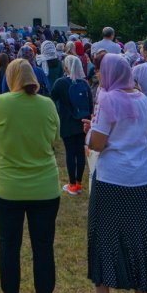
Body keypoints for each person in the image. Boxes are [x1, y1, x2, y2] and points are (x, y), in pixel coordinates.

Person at [78, 54, 147, 293]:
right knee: (142, 237)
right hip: (144, 175)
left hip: (115, 176)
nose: (99, 75)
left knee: (103, 233)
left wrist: (89, 133)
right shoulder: (143, 99)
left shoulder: (108, 99)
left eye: (101, 71)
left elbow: (99, 143)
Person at [0, 58, 61, 293]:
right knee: (43, 247)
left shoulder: (0, 103)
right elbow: (54, 138)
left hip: (8, 188)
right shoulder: (47, 104)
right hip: (45, 187)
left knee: (9, 245)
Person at [50, 53, 91, 195]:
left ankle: (72, 184)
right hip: (83, 121)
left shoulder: (60, 83)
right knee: (80, 152)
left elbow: (51, 99)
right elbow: (90, 105)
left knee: (70, 152)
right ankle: (79, 183)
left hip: (67, 122)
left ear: (66, 67)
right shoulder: (84, 84)